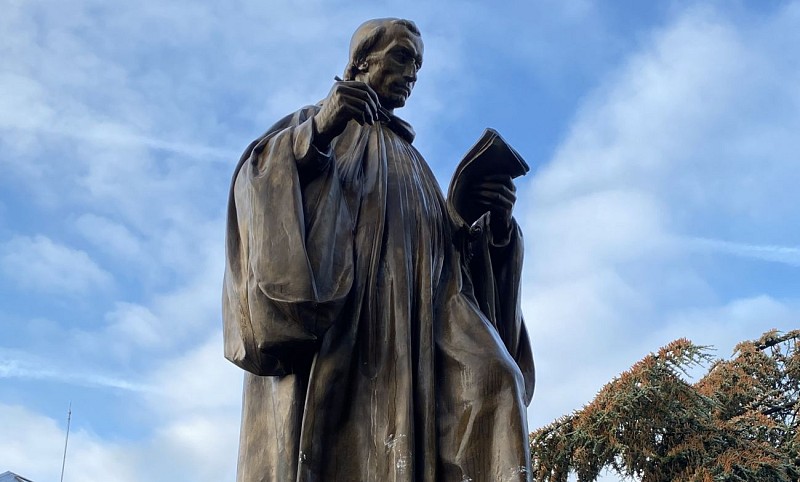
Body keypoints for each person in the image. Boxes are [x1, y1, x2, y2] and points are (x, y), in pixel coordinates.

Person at [222, 18, 535, 482]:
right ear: (362, 60)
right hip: (355, 319)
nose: (413, 73)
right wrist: (322, 130)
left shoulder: (412, 159)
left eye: (419, 65)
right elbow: (260, 177)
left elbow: (447, 259)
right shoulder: (318, 122)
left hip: (425, 321)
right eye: (403, 57)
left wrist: (489, 227)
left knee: (496, 378)